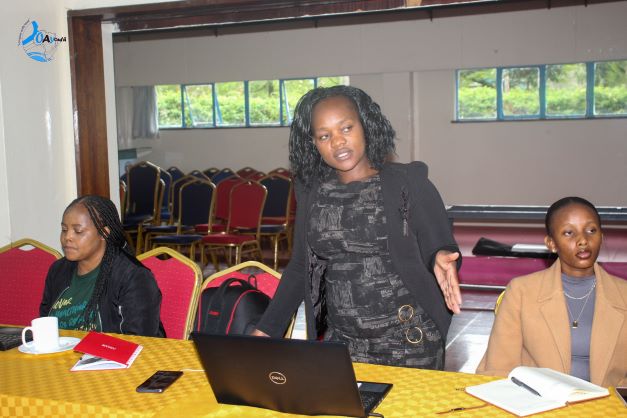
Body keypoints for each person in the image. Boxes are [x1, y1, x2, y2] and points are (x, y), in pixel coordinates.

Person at [253, 85, 462, 370]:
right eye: (324, 135)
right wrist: (267, 330)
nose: (337, 142)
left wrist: (441, 255)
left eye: (346, 128)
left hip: (408, 343)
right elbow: (302, 265)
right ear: (313, 143)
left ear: (365, 125)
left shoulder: (407, 183)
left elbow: (438, 244)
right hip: (342, 344)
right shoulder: (311, 191)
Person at [477, 196, 627, 387]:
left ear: (602, 237)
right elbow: (499, 366)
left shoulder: (623, 294)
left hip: (609, 402)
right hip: (537, 400)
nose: (583, 240)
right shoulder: (521, 292)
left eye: (591, 230)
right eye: (569, 233)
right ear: (551, 243)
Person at [40, 195, 165, 337]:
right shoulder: (58, 270)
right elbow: (45, 325)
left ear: (104, 233)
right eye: (64, 229)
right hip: (62, 351)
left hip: (114, 352)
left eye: (78, 231)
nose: (67, 237)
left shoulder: (134, 277)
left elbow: (140, 340)